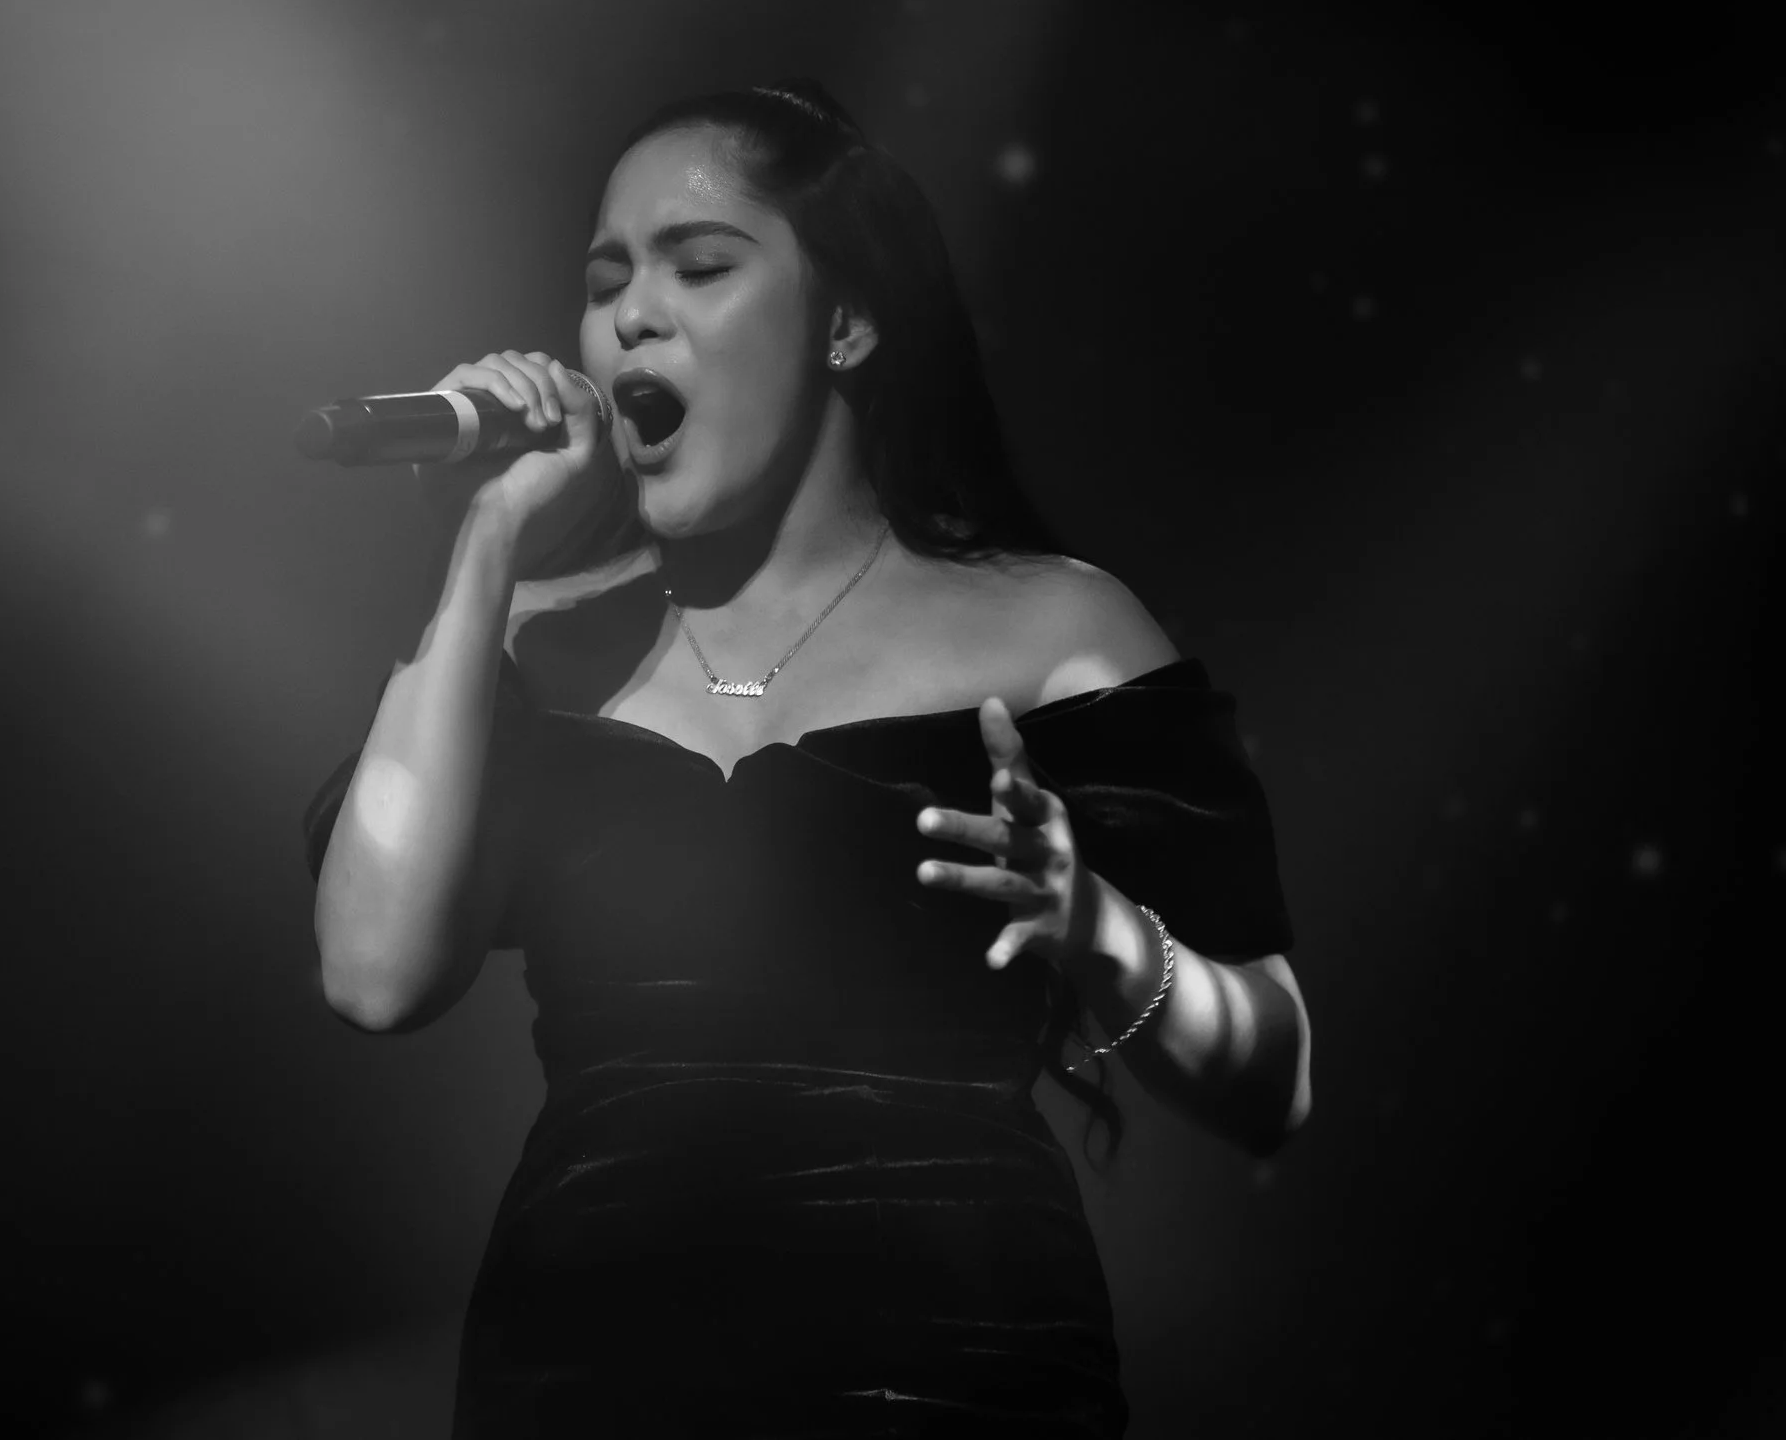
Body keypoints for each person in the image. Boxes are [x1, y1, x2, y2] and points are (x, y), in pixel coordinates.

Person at [304, 79, 1312, 1436]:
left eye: (699, 266)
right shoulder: (523, 651)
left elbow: (1274, 1076)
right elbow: (374, 976)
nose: (631, 314)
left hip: (955, 1377)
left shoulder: (1055, 628)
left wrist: (1101, 932)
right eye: (605, 281)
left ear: (847, 320)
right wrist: (486, 546)